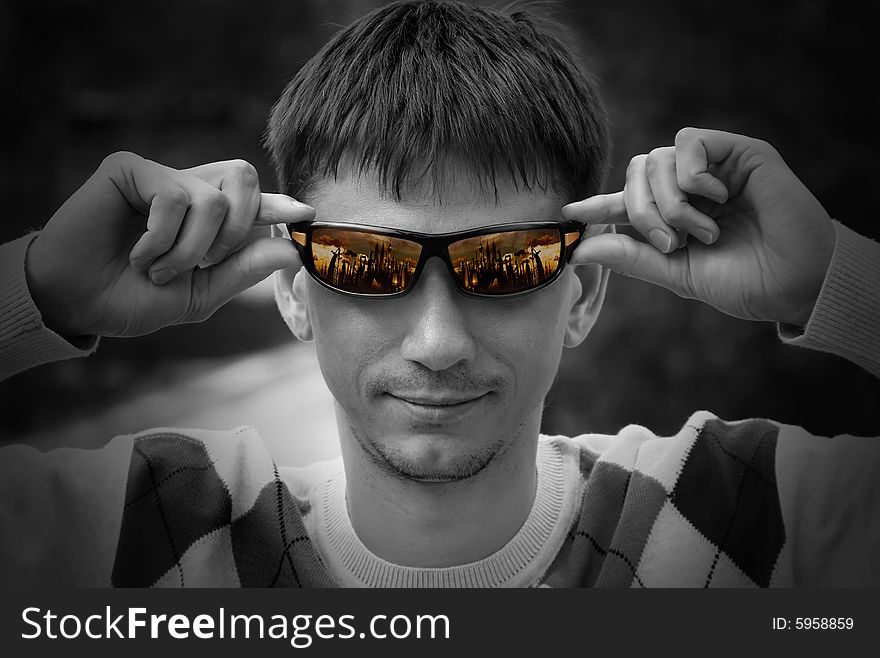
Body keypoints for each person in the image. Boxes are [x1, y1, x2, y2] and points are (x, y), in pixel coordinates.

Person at [1, 0, 878, 587]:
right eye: (366, 265)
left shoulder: (754, 514)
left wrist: (837, 282)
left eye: (502, 267)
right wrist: (40, 292)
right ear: (294, 294)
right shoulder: (141, 533)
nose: (437, 342)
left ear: (583, 295)